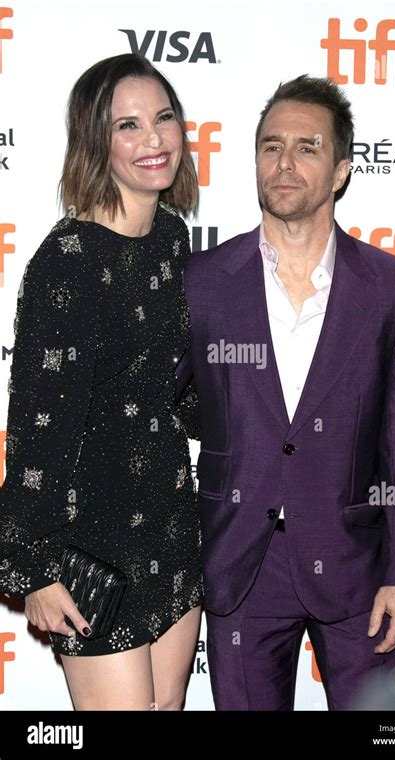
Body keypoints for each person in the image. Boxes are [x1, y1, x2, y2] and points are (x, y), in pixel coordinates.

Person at [178, 75, 395, 710]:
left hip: (359, 570)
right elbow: (163, 410)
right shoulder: (202, 280)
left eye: (306, 147)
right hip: (239, 565)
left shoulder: (391, 286)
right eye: (270, 147)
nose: (284, 162)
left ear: (342, 169)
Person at [0, 53, 203, 711]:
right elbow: (37, 430)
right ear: (97, 142)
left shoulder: (174, 239)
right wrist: (32, 568)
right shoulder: (68, 265)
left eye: (164, 118)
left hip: (171, 524)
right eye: (129, 126)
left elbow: (179, 389)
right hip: (92, 541)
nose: (154, 139)